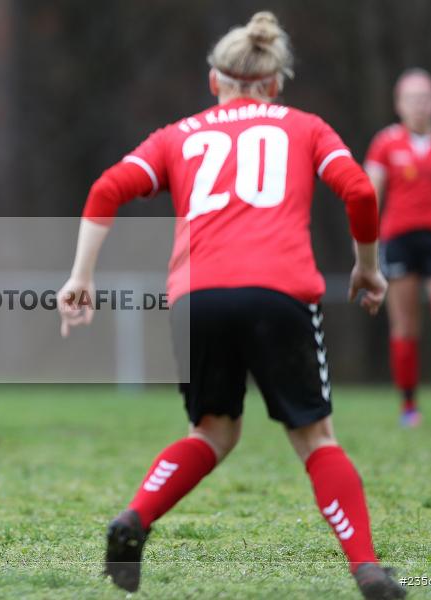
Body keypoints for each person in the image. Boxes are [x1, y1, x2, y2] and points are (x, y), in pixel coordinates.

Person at [58, 12, 405, 600]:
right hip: (279, 292)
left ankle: (135, 518)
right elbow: (360, 190)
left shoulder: (178, 135)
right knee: (316, 437)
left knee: (213, 431)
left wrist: (80, 276)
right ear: (274, 83)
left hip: (197, 299)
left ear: (214, 80)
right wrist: (368, 268)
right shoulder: (305, 127)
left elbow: (106, 188)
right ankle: (367, 567)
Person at [364, 69, 431, 427]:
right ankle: (409, 405)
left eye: (425, 98)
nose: (419, 105)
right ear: (398, 104)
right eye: (411, 98)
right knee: (406, 326)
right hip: (399, 242)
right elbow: (369, 197)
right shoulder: (385, 144)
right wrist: (364, 249)